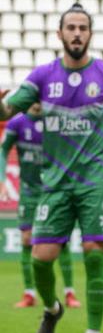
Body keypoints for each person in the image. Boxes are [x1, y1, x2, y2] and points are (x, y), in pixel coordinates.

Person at [0, 4, 103, 333]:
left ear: (90, 34)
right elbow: (8, 111)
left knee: (94, 253)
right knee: (41, 258)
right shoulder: (43, 77)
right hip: (56, 183)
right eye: (71, 28)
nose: (77, 33)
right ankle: (52, 309)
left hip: (96, 180)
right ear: (59, 34)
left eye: (83, 28)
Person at [3, 106, 79, 310]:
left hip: (53, 190)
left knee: (60, 240)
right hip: (29, 191)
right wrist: (2, 178)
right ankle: (29, 294)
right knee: (26, 239)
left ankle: (69, 292)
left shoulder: (56, 122)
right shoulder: (17, 124)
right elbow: (2, 150)